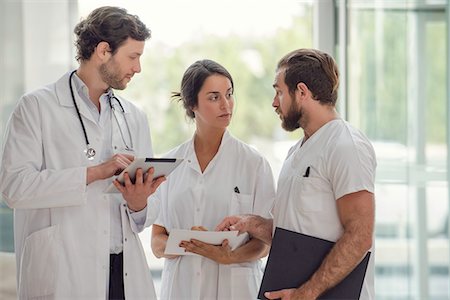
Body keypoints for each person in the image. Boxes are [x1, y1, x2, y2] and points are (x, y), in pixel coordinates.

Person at [0, 6, 165, 299]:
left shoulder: (133, 116)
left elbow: (147, 210)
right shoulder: (37, 108)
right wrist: (94, 173)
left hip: (123, 273)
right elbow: (14, 187)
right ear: (103, 51)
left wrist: (139, 203)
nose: (138, 68)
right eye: (133, 56)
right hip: (64, 271)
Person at [216, 48, 376, 300]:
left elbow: (360, 235)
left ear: (301, 92)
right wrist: (249, 223)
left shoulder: (346, 146)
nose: (274, 102)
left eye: (279, 91)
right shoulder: (295, 153)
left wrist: (306, 293)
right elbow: (296, 232)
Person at [150, 59, 276, 299]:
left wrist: (228, 256)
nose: (226, 105)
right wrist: (188, 240)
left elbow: (265, 243)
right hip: (181, 289)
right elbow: (157, 242)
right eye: (214, 97)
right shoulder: (169, 164)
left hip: (235, 290)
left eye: (229, 94)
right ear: (192, 104)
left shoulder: (254, 164)